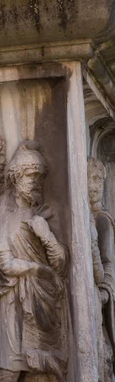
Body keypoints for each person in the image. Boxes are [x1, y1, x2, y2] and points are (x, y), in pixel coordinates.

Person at [0, 140, 68, 382]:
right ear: (15, 178)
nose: (36, 182)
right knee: (10, 369)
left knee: (44, 370)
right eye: (30, 176)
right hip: (12, 301)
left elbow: (61, 262)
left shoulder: (44, 214)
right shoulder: (0, 215)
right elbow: (5, 264)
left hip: (43, 300)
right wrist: (41, 270)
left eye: (39, 177)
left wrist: (46, 235)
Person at [88, 157, 115, 381]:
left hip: (98, 293)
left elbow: (109, 261)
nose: (96, 185)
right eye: (92, 179)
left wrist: (106, 289)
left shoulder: (102, 220)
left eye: (100, 180)